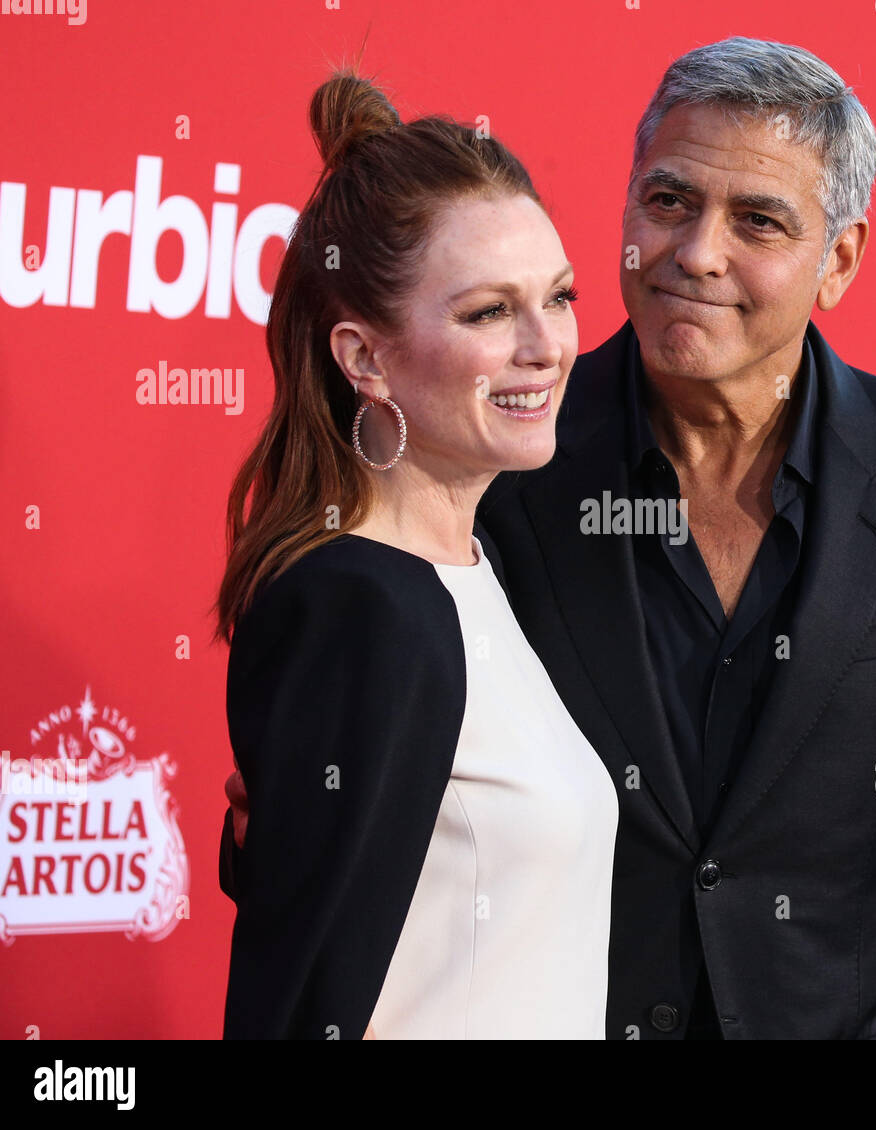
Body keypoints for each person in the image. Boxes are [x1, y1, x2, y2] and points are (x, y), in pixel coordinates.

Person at [223, 36, 876, 1039]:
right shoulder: (500, 465)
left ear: (838, 259)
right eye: (670, 200)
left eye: (758, 219)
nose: (696, 251)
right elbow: (370, 849)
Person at [214, 69, 616, 1039]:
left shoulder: (481, 576)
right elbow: (301, 998)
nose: (547, 345)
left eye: (556, 297)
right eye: (487, 312)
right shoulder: (361, 607)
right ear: (365, 358)